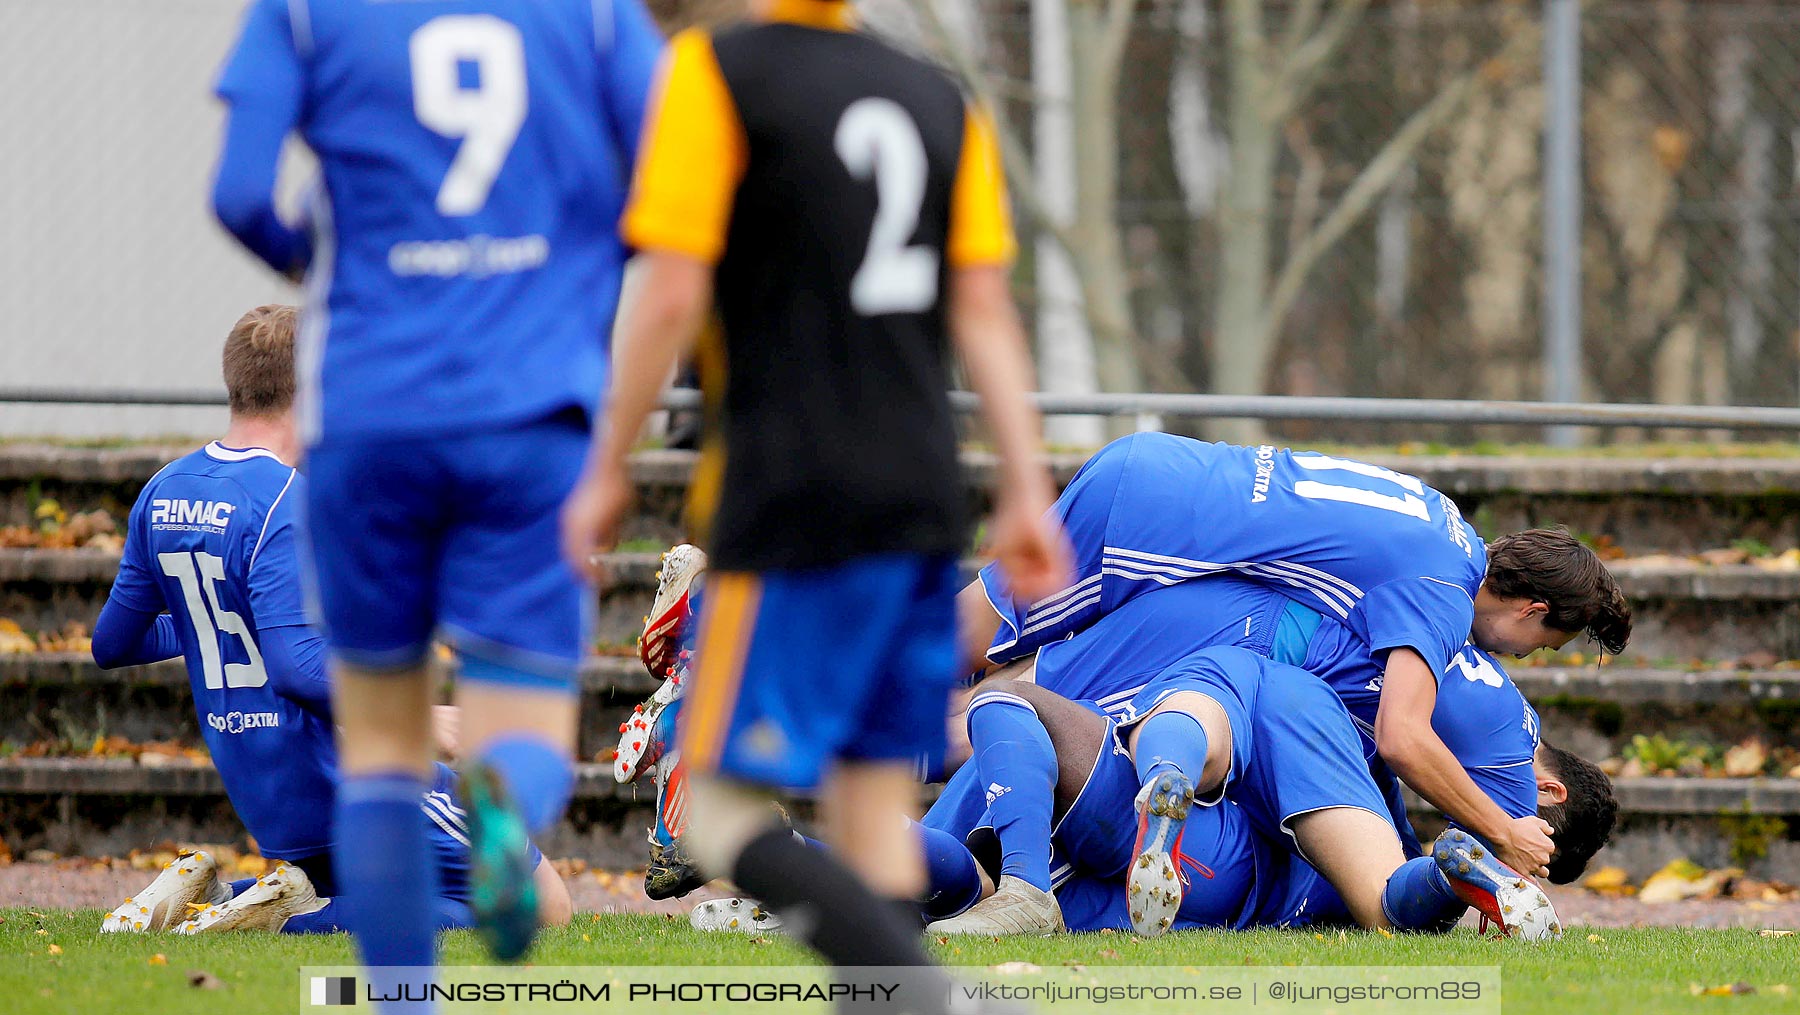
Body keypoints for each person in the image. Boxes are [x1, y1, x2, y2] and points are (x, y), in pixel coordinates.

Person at [559, 0, 1070, 995]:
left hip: (786, 492)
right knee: (875, 830)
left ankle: (929, 998)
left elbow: (668, 290)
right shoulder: (939, 99)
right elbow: (985, 312)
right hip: (920, 496)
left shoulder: (717, 72)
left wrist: (604, 461)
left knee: (712, 816)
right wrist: (1025, 484)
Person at [211, 0, 663, 991]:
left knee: (380, 743)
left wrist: (337, 274)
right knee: (523, 723)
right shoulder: (591, 19)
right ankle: (504, 804)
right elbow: (669, 185)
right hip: (530, 413)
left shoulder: (304, 12)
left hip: (370, 414)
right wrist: (565, 273)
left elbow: (241, 190)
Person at [91, 305, 570, 937]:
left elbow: (111, 643)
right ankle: (284, 919)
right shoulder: (290, 500)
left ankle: (208, 895)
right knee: (544, 905)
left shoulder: (164, 490)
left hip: (264, 784)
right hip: (346, 767)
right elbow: (296, 668)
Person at [958, 432, 1631, 879]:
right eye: (1544, 645)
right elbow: (1402, 736)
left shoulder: (1447, 529)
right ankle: (862, 745)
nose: (1526, 657)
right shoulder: (1443, 593)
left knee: (1013, 679)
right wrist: (1503, 833)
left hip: (1162, 484)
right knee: (964, 656)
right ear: (1531, 609)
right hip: (1155, 523)